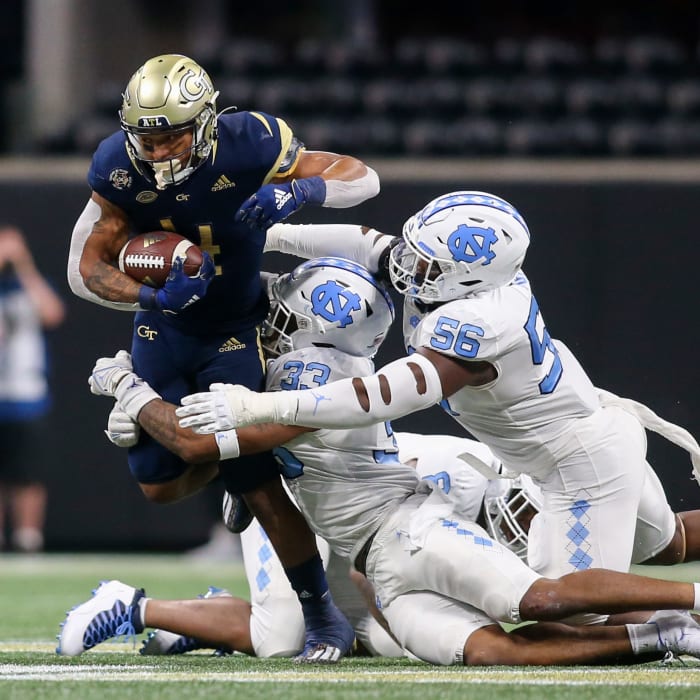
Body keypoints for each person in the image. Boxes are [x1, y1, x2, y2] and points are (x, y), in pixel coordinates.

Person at [62, 256, 700, 666]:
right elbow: (200, 452)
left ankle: (674, 626)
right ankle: (178, 612)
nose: (272, 318)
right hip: (361, 531)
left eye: (285, 312)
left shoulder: (306, 380)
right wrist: (151, 415)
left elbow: (205, 442)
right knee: (288, 633)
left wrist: (133, 392)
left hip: (383, 540)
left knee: (496, 630)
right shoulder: (452, 466)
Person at [176, 191, 700, 629]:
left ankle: (688, 615)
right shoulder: (467, 280)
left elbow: (381, 396)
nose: (407, 263)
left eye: (426, 262)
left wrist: (261, 405)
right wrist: (266, 237)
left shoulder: (479, 321)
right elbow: (369, 244)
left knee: (570, 611)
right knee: (670, 543)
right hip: (592, 433)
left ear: (470, 278)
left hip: (578, 464)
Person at [65, 53, 380, 662]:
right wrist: (151, 294)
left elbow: (362, 178)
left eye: (171, 135)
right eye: (145, 138)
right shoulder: (116, 165)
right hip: (164, 326)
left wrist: (303, 192)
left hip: (235, 327)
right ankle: (240, 457)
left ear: (207, 122)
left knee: (252, 474)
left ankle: (320, 614)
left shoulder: (250, 143)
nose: (156, 153)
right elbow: (87, 270)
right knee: (159, 485)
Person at [0, 225, 66, 552]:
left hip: (27, 394)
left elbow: (52, 312)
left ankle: (28, 538)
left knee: (28, 471)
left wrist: (23, 264)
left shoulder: (27, 287)